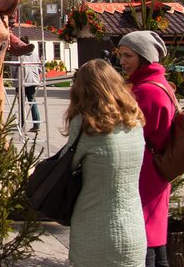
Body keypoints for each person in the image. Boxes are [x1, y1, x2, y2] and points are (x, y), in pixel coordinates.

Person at [65, 59, 147, 267]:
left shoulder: (85, 124)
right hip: (134, 227)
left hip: (94, 227)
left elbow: (67, 166)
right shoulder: (135, 120)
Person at [118, 31, 176, 267]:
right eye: (121, 55)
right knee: (153, 232)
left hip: (145, 171)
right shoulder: (154, 84)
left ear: (144, 57)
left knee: (145, 235)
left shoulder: (146, 92)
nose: (122, 61)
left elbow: (128, 131)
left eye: (128, 55)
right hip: (152, 169)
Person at [18, 36, 41, 132]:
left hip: (23, 80)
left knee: (21, 103)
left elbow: (14, 69)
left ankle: (22, 124)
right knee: (32, 101)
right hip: (33, 81)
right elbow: (39, 67)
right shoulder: (35, 54)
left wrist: (15, 82)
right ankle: (36, 124)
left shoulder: (20, 54)